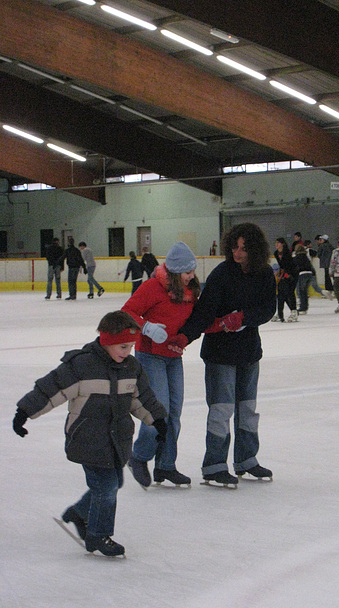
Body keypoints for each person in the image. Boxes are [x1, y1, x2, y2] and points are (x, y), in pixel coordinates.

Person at [12, 311, 168, 557]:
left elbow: (141, 399)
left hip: (117, 439)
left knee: (112, 483)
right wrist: (24, 412)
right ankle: (97, 536)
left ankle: (79, 513)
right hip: (88, 438)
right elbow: (51, 389)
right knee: (106, 486)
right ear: (106, 341)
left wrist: (157, 420)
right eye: (122, 346)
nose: (127, 351)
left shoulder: (131, 367)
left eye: (131, 346)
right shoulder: (82, 365)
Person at [168, 223, 276, 487]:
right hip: (220, 354)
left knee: (247, 409)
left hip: (249, 352)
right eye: (235, 247)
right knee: (221, 410)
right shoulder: (222, 274)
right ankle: (214, 465)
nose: (238, 253)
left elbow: (268, 308)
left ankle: (246, 460)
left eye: (244, 248)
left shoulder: (263, 274)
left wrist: (245, 318)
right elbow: (204, 312)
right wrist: (185, 336)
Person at [121, 242, 200, 488]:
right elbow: (126, 312)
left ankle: (166, 465)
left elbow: (199, 320)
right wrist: (146, 327)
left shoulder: (189, 291)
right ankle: (139, 456)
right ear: (175, 272)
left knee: (174, 413)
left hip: (174, 357)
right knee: (159, 410)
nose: (192, 276)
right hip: (151, 356)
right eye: (187, 272)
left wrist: (228, 323)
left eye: (193, 270)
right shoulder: (152, 287)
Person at [273, 237, 298, 322]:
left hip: (292, 274)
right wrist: (280, 273)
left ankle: (294, 311)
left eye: (278, 242)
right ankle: (280, 312)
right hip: (284, 274)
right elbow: (282, 265)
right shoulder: (276, 253)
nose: (276, 244)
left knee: (290, 292)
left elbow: (290, 265)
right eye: (276, 242)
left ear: (282, 244)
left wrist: (288, 274)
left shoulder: (287, 253)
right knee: (282, 293)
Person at [293, 244, 315, 314]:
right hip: (309, 274)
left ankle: (303, 307)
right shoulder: (306, 257)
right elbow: (311, 266)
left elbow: (294, 266)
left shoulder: (297, 257)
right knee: (305, 291)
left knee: (301, 291)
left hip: (302, 274)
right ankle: (305, 307)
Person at [315, 234, 334, 299]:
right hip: (330, 263)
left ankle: (329, 289)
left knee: (326, 277)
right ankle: (331, 289)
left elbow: (318, 254)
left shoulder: (322, 246)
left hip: (325, 263)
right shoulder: (330, 246)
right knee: (329, 276)